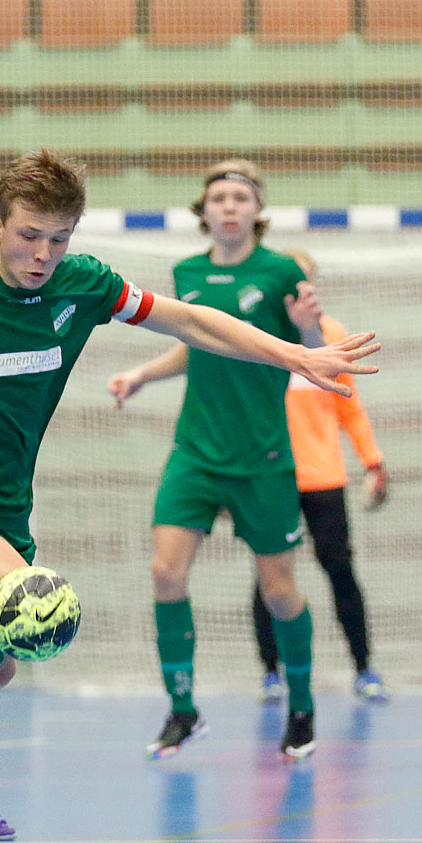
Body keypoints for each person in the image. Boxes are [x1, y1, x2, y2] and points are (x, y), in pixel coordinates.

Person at [0, 150, 378, 838]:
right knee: (16, 602)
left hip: (2, 506)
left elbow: (192, 321)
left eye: (59, 238)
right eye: (28, 236)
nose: (43, 254)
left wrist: (296, 354)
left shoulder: (82, 285)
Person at [106, 159, 333, 762]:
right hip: (195, 453)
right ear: (202, 212)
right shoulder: (188, 272)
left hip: (262, 458)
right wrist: (142, 375)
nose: (229, 206)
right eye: (219, 198)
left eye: (240, 198)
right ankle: (183, 710)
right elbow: (198, 346)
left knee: (280, 589)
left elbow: (311, 356)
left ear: (257, 212)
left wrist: (310, 333)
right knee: (164, 573)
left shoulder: (281, 271)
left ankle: (302, 707)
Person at [251, 249, 390, 705]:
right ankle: (271, 673)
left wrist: (372, 460)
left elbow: (349, 406)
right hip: (271, 477)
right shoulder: (254, 338)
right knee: (269, 579)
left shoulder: (331, 336)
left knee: (340, 571)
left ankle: (364, 669)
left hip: (324, 479)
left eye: (304, 279)